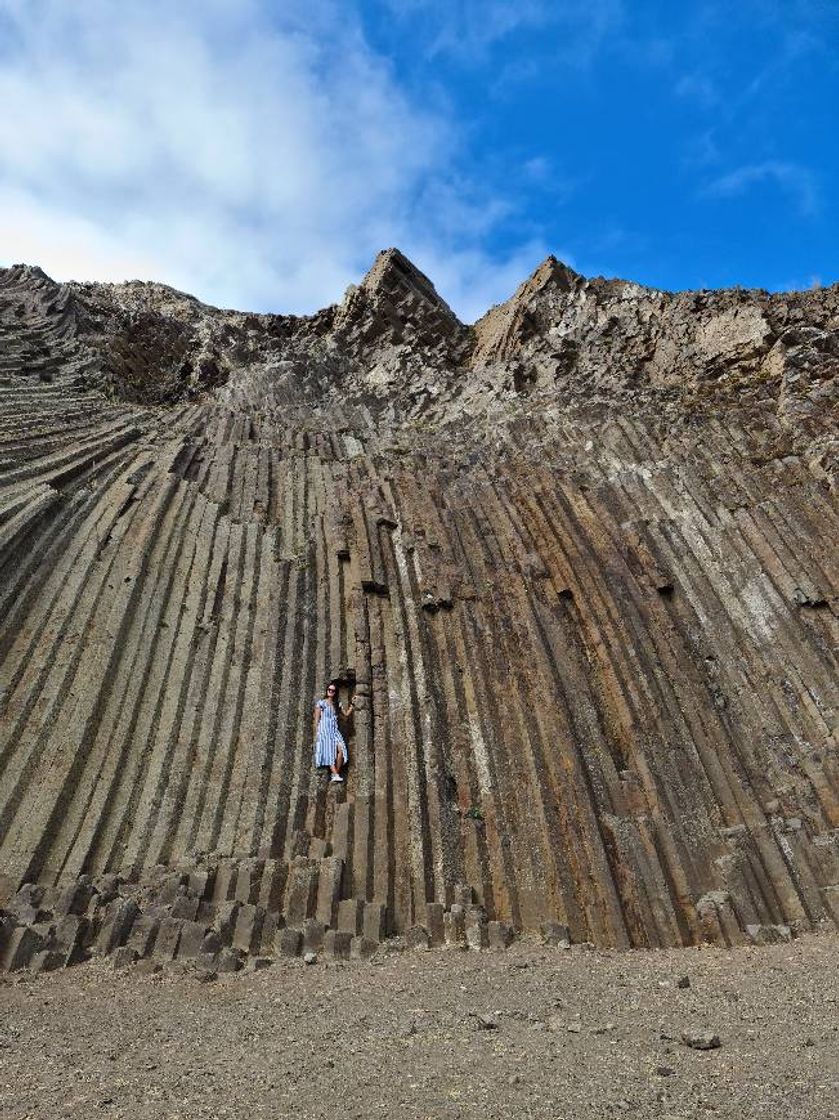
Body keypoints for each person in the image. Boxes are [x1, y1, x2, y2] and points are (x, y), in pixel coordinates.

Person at [313, 680, 356, 783]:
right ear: (327, 691)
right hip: (324, 730)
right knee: (328, 752)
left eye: (333, 690)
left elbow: (345, 715)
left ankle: (335, 773)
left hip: (334, 731)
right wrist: (317, 734)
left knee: (341, 750)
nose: (331, 692)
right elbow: (316, 720)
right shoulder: (321, 703)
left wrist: (352, 704)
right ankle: (336, 774)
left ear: (335, 692)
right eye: (329, 690)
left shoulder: (337, 704)